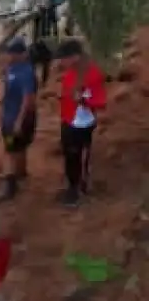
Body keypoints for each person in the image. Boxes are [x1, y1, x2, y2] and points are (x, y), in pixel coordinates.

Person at [57, 39, 107, 206]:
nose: (61, 62)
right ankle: (73, 186)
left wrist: (83, 101)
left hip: (82, 123)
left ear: (75, 57)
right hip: (68, 119)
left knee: (78, 156)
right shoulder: (72, 71)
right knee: (70, 156)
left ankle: (77, 189)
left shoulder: (92, 73)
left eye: (64, 58)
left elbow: (100, 101)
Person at [0, 37, 38, 198]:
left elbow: (28, 99)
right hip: (9, 117)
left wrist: (19, 122)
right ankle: (20, 173)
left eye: (12, 53)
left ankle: (10, 186)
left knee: (10, 150)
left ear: (22, 54)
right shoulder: (11, 69)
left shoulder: (26, 72)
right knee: (18, 148)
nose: (9, 56)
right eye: (9, 53)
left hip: (18, 118)